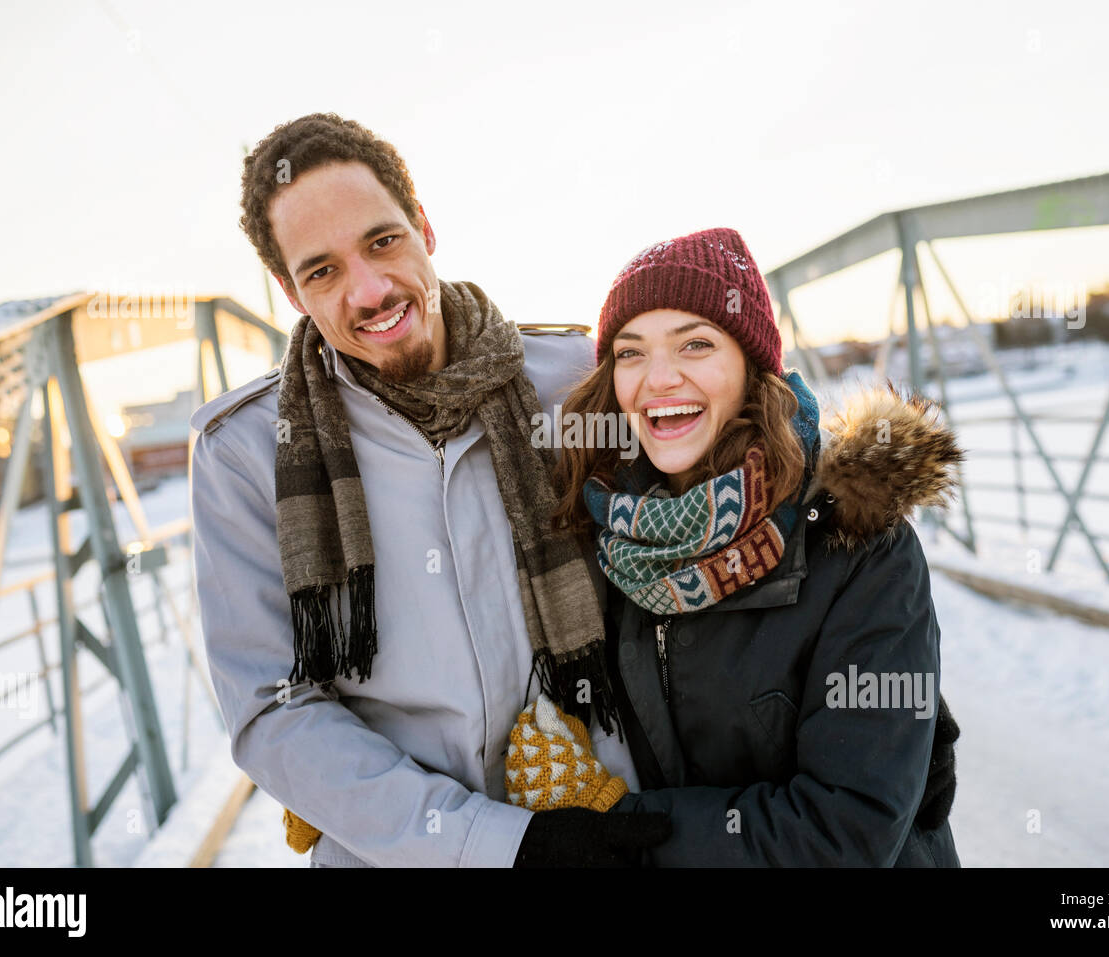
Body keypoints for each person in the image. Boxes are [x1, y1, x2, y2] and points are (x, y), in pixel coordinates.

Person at [189, 112, 670, 867]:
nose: (371, 290)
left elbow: (725, 500)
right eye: (323, 270)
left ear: (425, 226)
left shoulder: (572, 380)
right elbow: (273, 710)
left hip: (606, 832)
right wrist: (497, 845)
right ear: (290, 291)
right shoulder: (246, 455)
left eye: (383, 241)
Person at [551, 227, 963, 866]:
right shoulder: (609, 539)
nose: (659, 379)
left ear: (751, 364)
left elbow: (844, 834)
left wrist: (620, 828)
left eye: (695, 343)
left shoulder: (861, 548)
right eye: (630, 353)